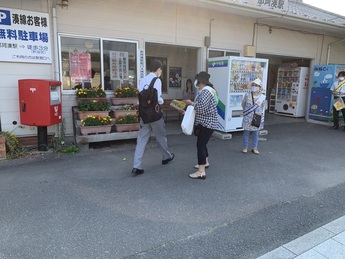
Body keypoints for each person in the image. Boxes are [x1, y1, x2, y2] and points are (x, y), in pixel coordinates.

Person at [132, 59, 174, 175]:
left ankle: (137, 165)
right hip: (155, 115)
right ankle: (166, 156)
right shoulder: (157, 80)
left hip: (144, 115)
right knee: (161, 136)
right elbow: (158, 99)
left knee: (141, 140)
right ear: (159, 69)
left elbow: (140, 98)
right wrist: (162, 100)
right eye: (161, 69)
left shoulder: (143, 80)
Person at [183, 72, 218, 180]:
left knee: (201, 145)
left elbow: (201, 108)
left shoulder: (206, 92)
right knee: (203, 144)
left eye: (197, 79)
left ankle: (201, 171)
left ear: (201, 81)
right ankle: (205, 162)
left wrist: (191, 103)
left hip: (206, 123)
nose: (195, 81)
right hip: (208, 122)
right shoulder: (208, 90)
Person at [241, 78, 266, 155]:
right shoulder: (247, 95)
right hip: (248, 117)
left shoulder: (262, 97)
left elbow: (263, 107)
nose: (254, 86)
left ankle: (255, 148)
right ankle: (245, 147)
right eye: (253, 85)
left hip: (257, 117)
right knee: (246, 132)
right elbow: (243, 104)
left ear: (259, 87)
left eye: (256, 85)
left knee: (256, 133)